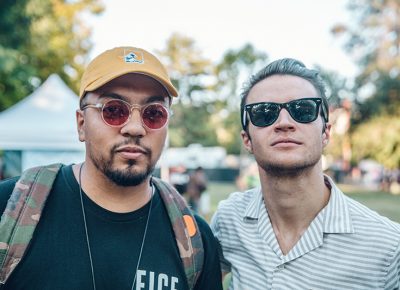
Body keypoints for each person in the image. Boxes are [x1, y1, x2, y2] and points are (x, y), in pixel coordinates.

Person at [0, 46, 222, 290]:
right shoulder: (10, 208)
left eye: (154, 114)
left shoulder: (194, 240)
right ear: (81, 124)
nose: (135, 128)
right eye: (114, 111)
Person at [211, 58, 400, 289]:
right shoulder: (229, 219)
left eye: (303, 110)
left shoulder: (389, 248)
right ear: (247, 140)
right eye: (263, 113)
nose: (284, 123)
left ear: (326, 133)